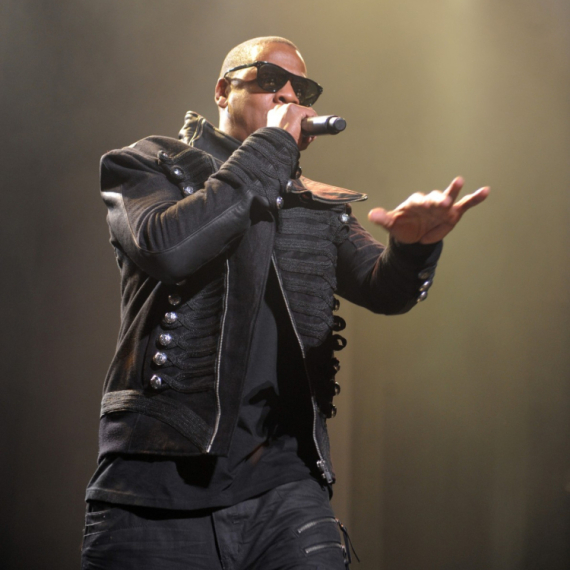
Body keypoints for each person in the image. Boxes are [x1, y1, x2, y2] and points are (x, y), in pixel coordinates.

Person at [81, 36, 489, 570]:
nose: (290, 97)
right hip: (155, 484)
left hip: (284, 487)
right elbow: (168, 248)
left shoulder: (313, 202)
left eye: (304, 90)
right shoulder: (148, 164)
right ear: (223, 91)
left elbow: (383, 288)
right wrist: (272, 147)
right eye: (271, 81)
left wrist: (414, 248)